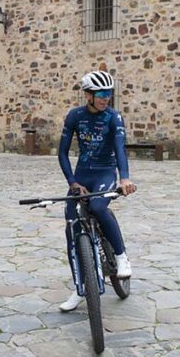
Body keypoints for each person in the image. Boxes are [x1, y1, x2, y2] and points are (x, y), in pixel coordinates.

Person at [57, 70, 136, 312]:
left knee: (98, 207)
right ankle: (80, 286)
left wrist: (124, 178)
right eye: (101, 94)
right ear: (88, 95)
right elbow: (62, 153)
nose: (105, 98)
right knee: (71, 225)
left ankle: (121, 257)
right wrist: (72, 182)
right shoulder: (75, 116)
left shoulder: (114, 117)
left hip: (104, 172)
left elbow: (120, 148)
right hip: (81, 175)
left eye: (109, 93)